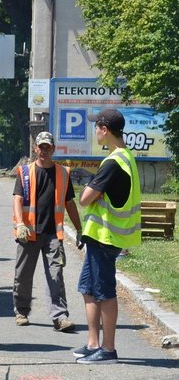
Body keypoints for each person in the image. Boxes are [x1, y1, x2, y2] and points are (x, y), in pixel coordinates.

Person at [74, 108, 141, 364]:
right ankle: (93, 343)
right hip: (99, 237)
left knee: (104, 292)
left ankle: (109, 349)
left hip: (106, 237)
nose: (95, 132)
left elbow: (84, 199)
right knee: (88, 288)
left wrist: (91, 186)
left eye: (96, 127)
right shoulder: (125, 157)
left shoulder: (113, 161)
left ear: (104, 128)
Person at [12, 131, 82, 332]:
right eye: (41, 147)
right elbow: (17, 198)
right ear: (36, 149)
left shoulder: (63, 173)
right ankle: (21, 311)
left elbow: (69, 203)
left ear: (53, 149)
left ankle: (60, 316)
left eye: (48, 147)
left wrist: (79, 229)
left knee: (56, 274)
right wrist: (20, 224)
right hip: (28, 232)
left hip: (53, 234)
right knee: (23, 275)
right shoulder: (24, 172)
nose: (44, 150)